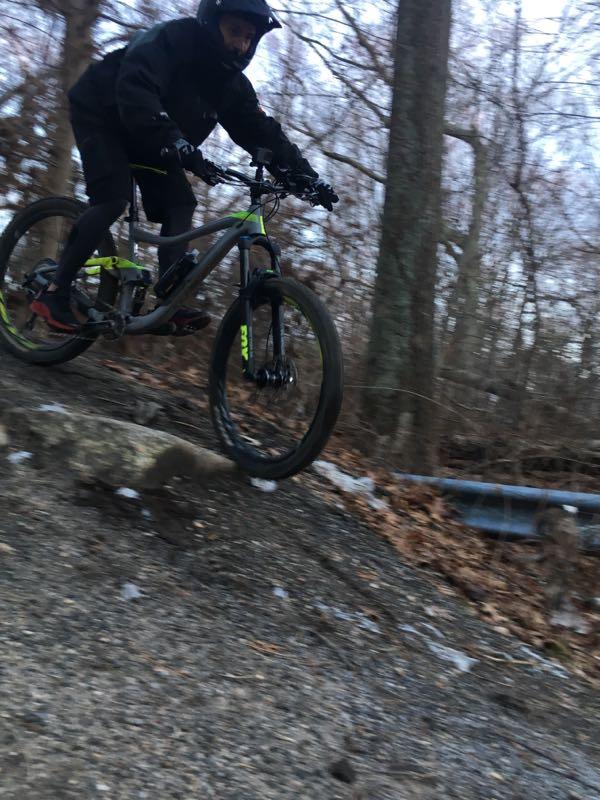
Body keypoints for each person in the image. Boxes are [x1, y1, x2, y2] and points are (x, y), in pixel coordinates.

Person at [31, 0, 338, 332]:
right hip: (104, 113)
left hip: (153, 137)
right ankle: (54, 291)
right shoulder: (173, 40)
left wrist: (308, 179)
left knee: (181, 201)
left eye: (249, 37)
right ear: (211, 22)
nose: (241, 44)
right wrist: (176, 142)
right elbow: (136, 87)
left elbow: (263, 133)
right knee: (113, 198)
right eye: (235, 31)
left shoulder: (231, 86)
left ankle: (170, 301)